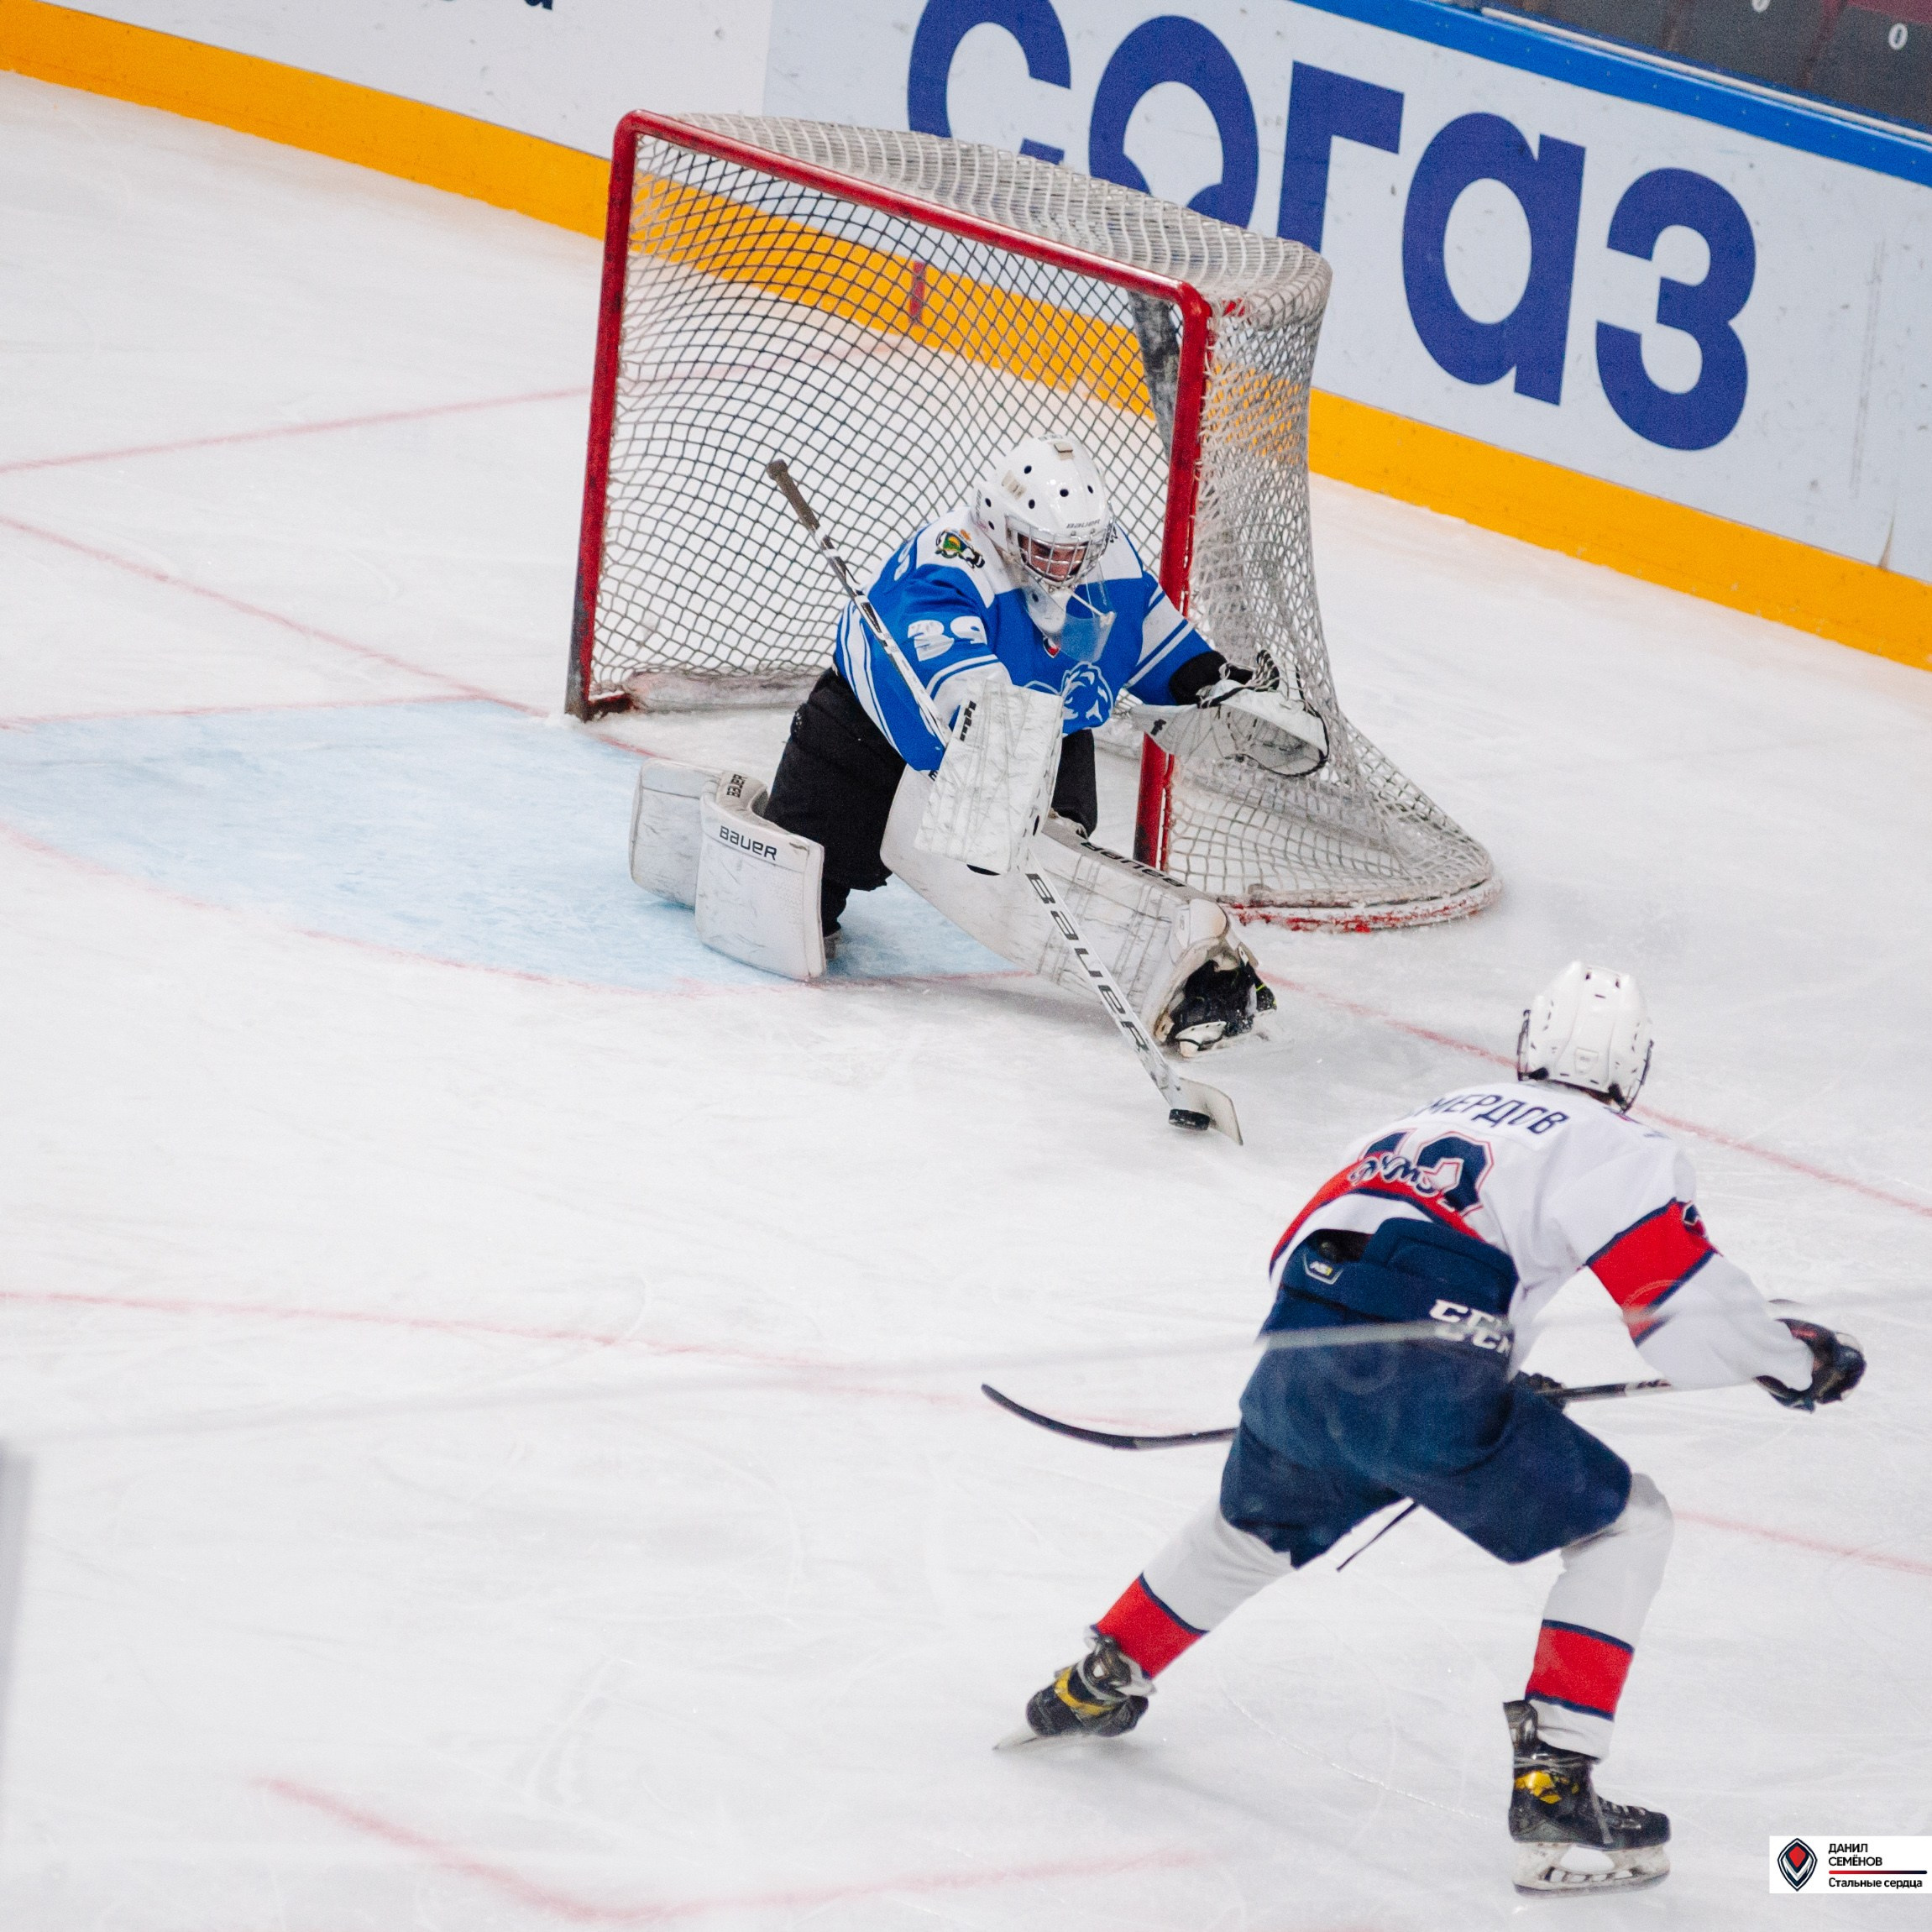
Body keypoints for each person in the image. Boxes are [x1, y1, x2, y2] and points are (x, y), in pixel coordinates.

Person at [1009, 961, 1866, 1895]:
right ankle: (1556, 1785)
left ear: (1528, 1044)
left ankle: (1097, 1680)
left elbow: (1298, 1245)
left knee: (1249, 1530)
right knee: (1629, 1523)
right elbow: (1686, 1318)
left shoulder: (1425, 1118)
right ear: (1636, 1069)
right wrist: (1798, 1363)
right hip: (1421, 1381)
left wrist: (1455, 1364)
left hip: (1297, 1355)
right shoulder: (1614, 1144)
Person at [762, 434, 1324, 1050]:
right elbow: (952, 675)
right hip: (871, 738)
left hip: (1043, 739)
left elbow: (1155, 640)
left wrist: (1213, 683)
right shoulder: (948, 559)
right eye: (1047, 550)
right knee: (796, 913)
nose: (1067, 566)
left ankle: (1195, 981)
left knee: (1056, 866)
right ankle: (793, 846)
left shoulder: (1101, 561)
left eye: (1077, 550)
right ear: (1001, 527)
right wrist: (994, 770)